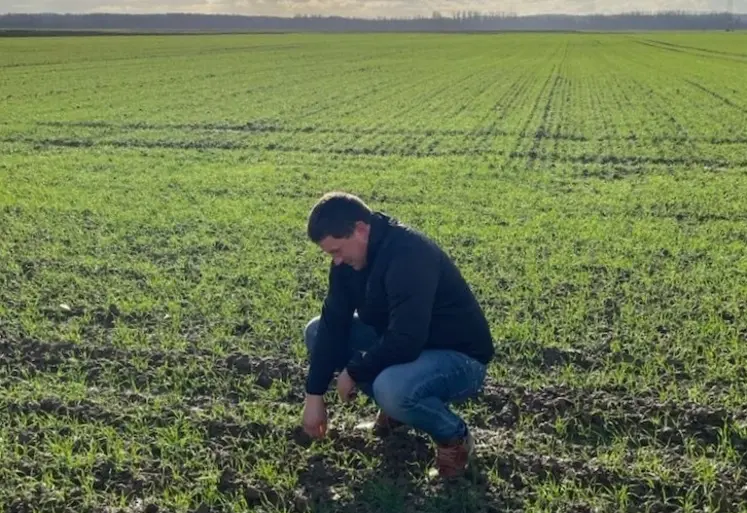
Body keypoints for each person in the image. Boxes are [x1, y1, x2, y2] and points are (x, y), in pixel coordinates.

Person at [301, 191, 494, 478]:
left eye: (337, 250)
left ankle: (454, 437)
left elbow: (406, 339)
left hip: (460, 359)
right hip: (409, 346)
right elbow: (333, 323)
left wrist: (354, 371)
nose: (336, 261)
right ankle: (395, 413)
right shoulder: (348, 263)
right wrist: (313, 396)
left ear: (361, 229)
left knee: (392, 388)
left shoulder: (409, 254)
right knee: (316, 331)